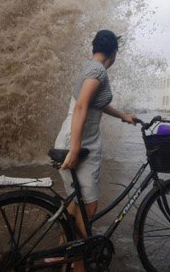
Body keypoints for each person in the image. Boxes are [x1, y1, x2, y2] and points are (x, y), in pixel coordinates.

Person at [54, 29, 136, 268]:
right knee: (88, 209)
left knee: (74, 205)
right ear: (114, 52)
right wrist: (76, 148)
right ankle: (78, 265)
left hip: (73, 138)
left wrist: (123, 116)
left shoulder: (90, 68)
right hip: (80, 143)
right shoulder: (97, 71)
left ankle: (65, 255)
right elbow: (81, 107)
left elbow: (93, 103)